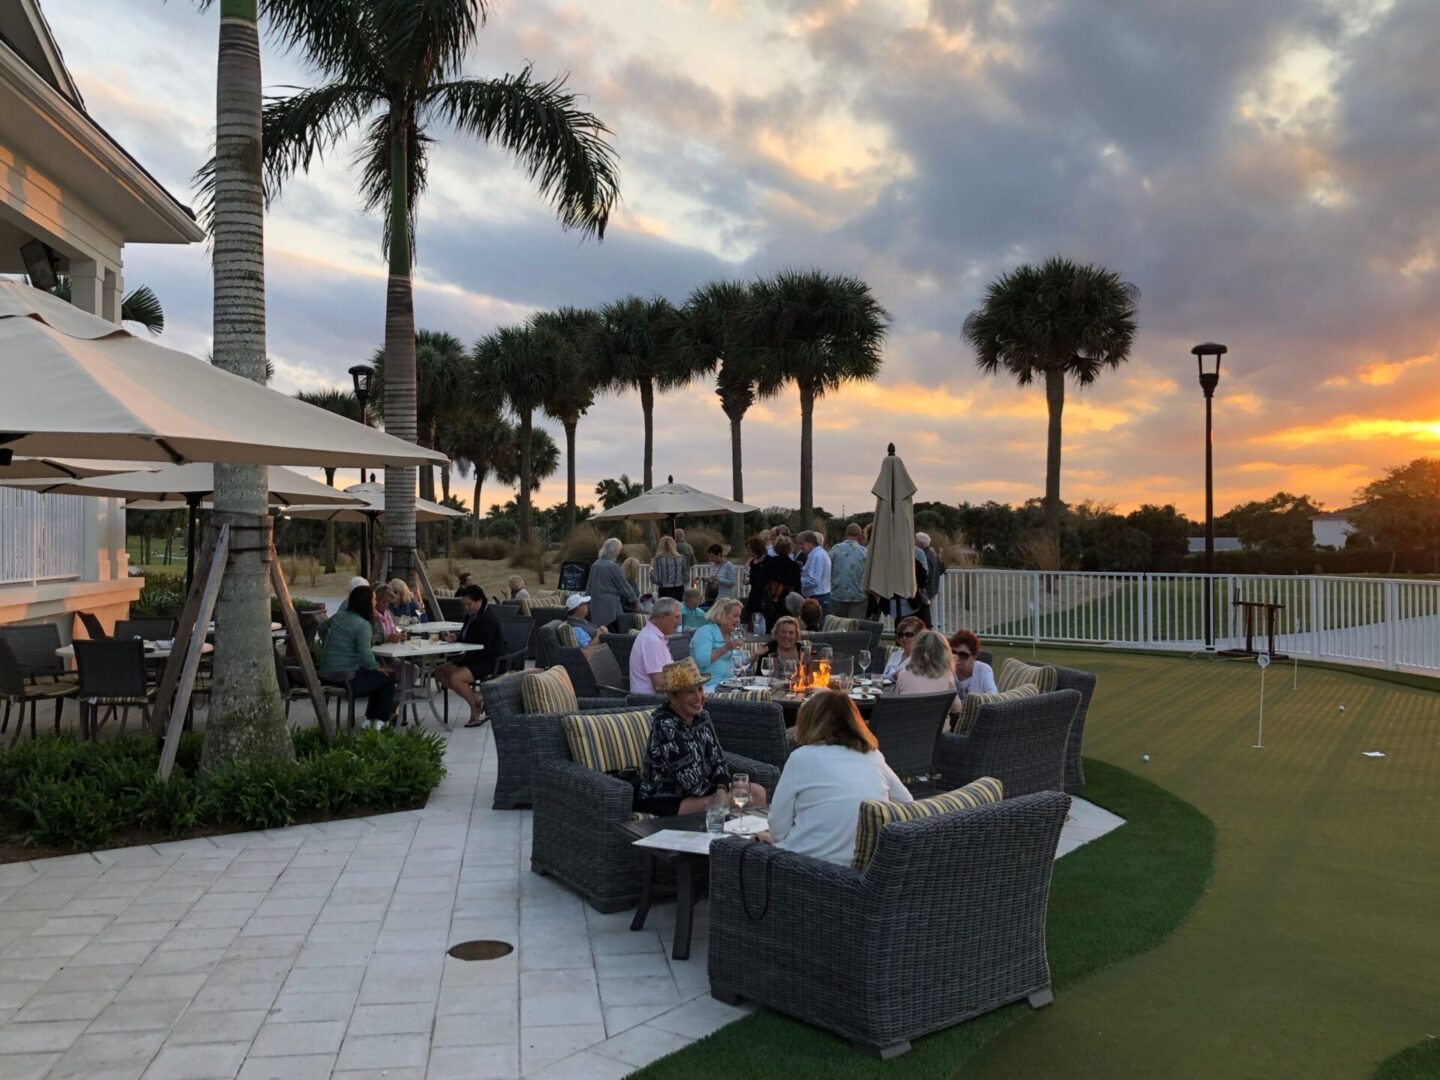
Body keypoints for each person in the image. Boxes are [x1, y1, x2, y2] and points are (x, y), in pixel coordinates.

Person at [759, 690, 911, 864]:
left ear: (811, 722)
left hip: (805, 867)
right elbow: (907, 804)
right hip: (865, 870)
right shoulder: (873, 756)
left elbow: (778, 829)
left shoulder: (801, 758)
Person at [636, 658, 768, 816]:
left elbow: (718, 760)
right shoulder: (665, 726)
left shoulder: (703, 716)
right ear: (672, 697)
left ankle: (740, 836)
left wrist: (721, 787)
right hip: (666, 798)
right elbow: (692, 783)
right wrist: (724, 793)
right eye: (690, 691)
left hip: (705, 789)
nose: (699, 697)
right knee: (737, 800)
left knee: (758, 793)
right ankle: (728, 836)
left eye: (700, 689)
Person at [319, 584, 396, 728]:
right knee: (387, 678)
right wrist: (376, 667)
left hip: (325, 674)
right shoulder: (363, 625)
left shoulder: (340, 616)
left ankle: (369, 721)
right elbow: (366, 654)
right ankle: (380, 722)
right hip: (346, 678)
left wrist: (330, 645)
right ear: (366, 603)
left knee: (377, 676)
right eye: (373, 599)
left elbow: (321, 628)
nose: (375, 602)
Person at [434, 585, 506, 727]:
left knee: (455, 678)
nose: (467, 608)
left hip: (490, 661)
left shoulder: (487, 620)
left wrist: (459, 665)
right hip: (473, 657)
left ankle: (474, 708)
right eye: (465, 604)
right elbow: (468, 637)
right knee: (439, 673)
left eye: (469, 604)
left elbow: (481, 647)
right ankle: (476, 698)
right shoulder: (472, 615)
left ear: (479, 601)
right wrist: (456, 637)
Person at [895, 629, 960, 720]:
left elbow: (896, 706)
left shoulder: (903, 675)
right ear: (944, 653)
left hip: (908, 730)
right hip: (939, 732)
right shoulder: (947, 676)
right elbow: (957, 708)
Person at [630, 596, 683, 694]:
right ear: (663, 617)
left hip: (654, 699)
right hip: (651, 703)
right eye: (677, 617)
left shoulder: (652, 636)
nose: (679, 622)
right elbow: (659, 686)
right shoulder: (652, 641)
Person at [690, 598, 746, 690]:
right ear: (722, 615)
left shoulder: (731, 635)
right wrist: (725, 648)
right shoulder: (705, 632)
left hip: (730, 684)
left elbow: (740, 662)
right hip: (709, 686)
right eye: (735, 616)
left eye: (739, 616)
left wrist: (755, 655)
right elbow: (701, 661)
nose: (738, 620)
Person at [585, 538, 638, 632]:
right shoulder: (613, 566)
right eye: (619, 550)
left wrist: (587, 603)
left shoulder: (595, 564)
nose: (619, 552)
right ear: (615, 551)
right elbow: (623, 586)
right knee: (615, 634)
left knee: (600, 633)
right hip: (611, 608)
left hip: (595, 606)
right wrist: (634, 599)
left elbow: (589, 586)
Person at [759, 536, 802, 628]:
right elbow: (797, 586)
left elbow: (762, 581)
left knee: (770, 627)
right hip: (787, 601)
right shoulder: (794, 566)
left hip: (771, 599)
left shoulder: (769, 562)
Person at [829, 523, 868, 620]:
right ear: (859, 534)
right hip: (858, 595)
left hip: (837, 593)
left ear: (846, 533)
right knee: (855, 628)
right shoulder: (864, 552)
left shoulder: (835, 549)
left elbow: (829, 569)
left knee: (837, 626)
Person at [950, 629, 997, 699]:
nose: (956, 658)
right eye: (953, 652)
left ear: (974, 656)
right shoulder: (947, 670)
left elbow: (994, 699)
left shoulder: (983, 671)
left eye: (963, 654)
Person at [917, 532, 946, 628]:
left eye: (915, 541)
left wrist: (920, 587)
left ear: (920, 544)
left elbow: (926, 574)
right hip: (932, 589)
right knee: (926, 613)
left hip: (925, 590)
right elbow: (940, 569)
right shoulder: (932, 554)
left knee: (923, 615)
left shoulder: (923, 555)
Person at [798, 531, 832, 614]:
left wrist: (796, 580)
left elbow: (813, 580)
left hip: (818, 597)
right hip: (820, 596)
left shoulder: (817, 556)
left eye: (802, 543)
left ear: (810, 542)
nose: (800, 546)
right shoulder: (819, 554)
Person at [650, 536, 687, 602]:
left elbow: (655, 578)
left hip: (664, 589)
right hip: (679, 589)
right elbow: (685, 576)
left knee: (665, 610)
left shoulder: (657, 559)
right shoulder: (681, 558)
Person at [741, 536, 768, 625]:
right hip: (754, 593)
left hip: (763, 594)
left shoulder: (767, 561)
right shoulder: (753, 562)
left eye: (749, 549)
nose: (748, 551)